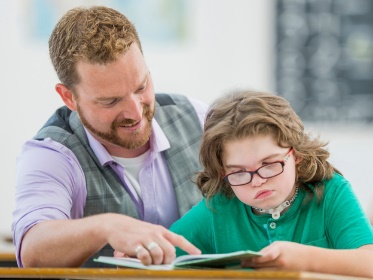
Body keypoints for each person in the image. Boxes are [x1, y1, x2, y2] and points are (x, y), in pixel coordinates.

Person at [12, 6, 206, 268]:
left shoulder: (197, 118)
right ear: (69, 97)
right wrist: (107, 227)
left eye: (141, 86)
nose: (135, 111)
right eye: (110, 100)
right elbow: (32, 249)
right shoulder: (52, 154)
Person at [169, 91, 373, 277]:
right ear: (222, 171)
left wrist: (305, 258)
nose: (257, 181)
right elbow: (164, 253)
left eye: (269, 164)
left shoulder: (330, 192)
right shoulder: (218, 207)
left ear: (296, 154)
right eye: (239, 172)